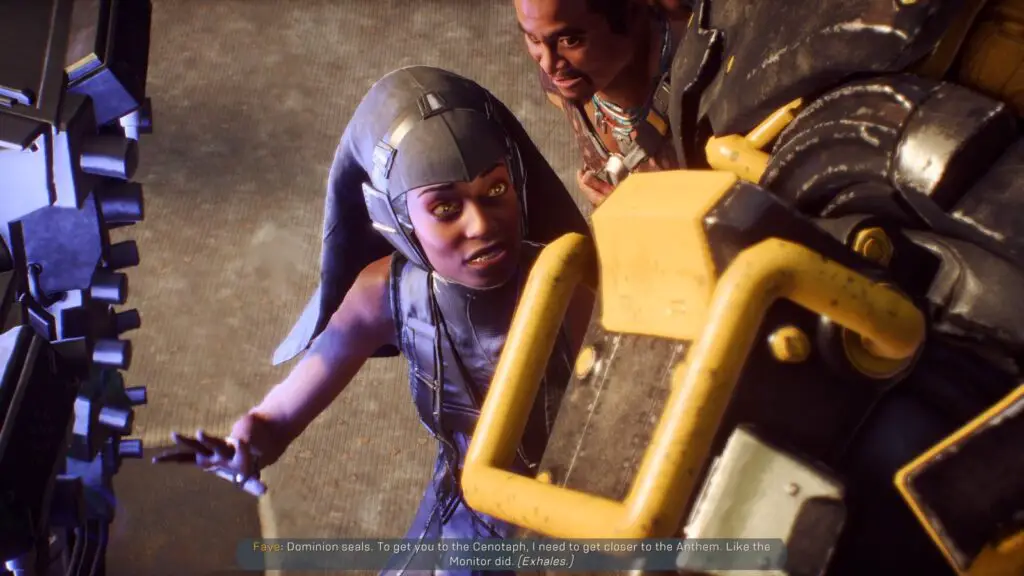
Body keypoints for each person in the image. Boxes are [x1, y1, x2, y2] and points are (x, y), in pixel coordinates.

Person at [154, 66, 594, 572]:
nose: (481, 224)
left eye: (495, 190)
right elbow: (280, 416)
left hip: (580, 501)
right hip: (469, 514)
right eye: (445, 207)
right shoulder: (388, 293)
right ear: (395, 216)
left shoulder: (566, 280)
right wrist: (246, 446)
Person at [515, 0, 692, 207]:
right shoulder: (562, 85)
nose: (547, 65)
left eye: (570, 40)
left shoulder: (708, 92)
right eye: (533, 38)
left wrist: (635, 216)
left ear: (632, 15)